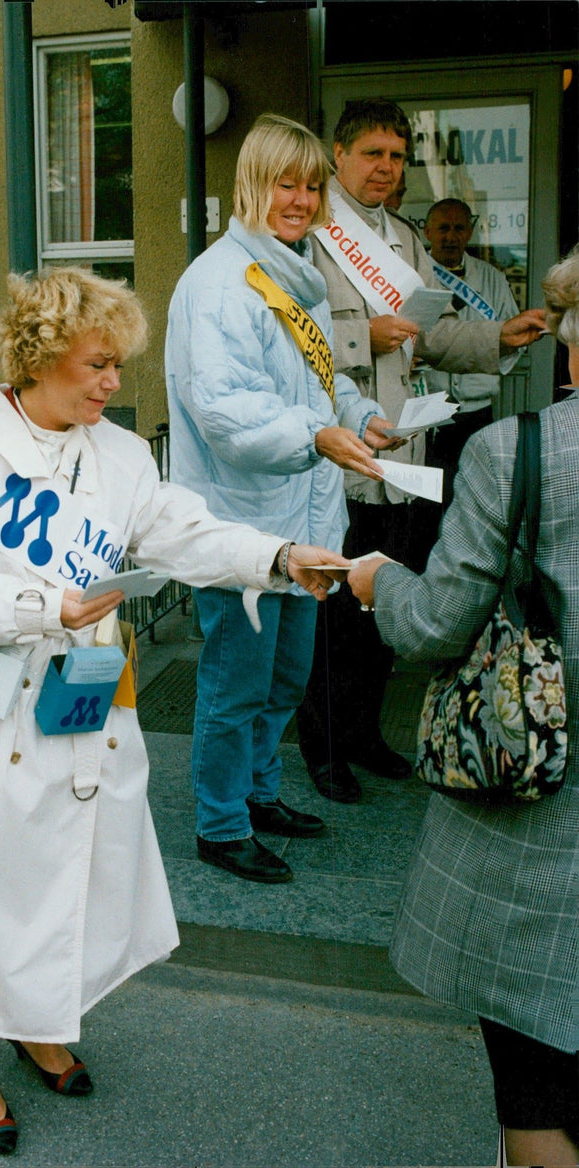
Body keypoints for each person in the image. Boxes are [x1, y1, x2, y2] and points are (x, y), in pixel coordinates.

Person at [0, 266, 351, 1155]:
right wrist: (40, 610)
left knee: (63, 879)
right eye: (98, 364)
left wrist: (281, 556)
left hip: (84, 708)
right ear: (42, 355)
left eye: (118, 367)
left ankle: (34, 1018)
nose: (111, 384)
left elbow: (186, 529)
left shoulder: (122, 456)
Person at [347, 248, 579, 1168]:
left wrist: (377, 581)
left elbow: (439, 626)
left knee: (538, 1099)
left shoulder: (516, 452)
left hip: (539, 841)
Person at [165, 113, 402, 883]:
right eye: (285, 184)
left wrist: (361, 417)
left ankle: (259, 795)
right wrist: (318, 437)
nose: (300, 199)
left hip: (305, 522)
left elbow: (321, 379)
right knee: (235, 687)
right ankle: (220, 823)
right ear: (251, 186)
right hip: (246, 528)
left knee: (283, 679)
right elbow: (227, 414)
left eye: (310, 185)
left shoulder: (286, 271)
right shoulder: (217, 284)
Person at [295, 97, 547, 804]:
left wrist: (499, 337)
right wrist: (356, 340)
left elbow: (432, 333)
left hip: (400, 453)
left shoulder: (404, 239)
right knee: (334, 611)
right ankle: (324, 747)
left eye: (397, 157)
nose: (385, 168)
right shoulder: (310, 235)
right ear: (338, 155)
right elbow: (285, 335)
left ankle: (367, 733)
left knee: (384, 602)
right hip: (338, 455)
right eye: (372, 154)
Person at [423, 198, 525, 506]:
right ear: (427, 231)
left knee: (476, 499)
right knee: (428, 502)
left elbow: (513, 336)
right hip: (427, 414)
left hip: (477, 413)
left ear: (470, 232)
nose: (450, 236)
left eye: (458, 228)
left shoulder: (492, 278)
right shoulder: (414, 274)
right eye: (443, 228)